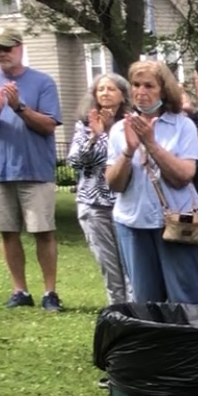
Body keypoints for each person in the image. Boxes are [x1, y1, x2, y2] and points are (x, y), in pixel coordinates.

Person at [0, 25, 63, 310]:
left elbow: (48, 126)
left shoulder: (42, 82)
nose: (1, 54)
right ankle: (20, 291)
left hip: (35, 170)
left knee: (43, 231)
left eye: (7, 48)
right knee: (7, 232)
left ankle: (49, 293)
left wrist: (19, 106)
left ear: (20, 48)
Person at [104, 60, 198, 306]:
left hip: (175, 224)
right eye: (136, 85)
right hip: (132, 224)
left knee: (185, 298)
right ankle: (157, 344)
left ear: (163, 90)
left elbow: (183, 176)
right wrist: (129, 150)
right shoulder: (119, 130)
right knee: (145, 302)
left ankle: (190, 343)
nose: (141, 92)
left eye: (149, 85)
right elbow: (114, 184)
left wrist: (151, 144)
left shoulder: (183, 126)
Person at [68, 71, 130, 306]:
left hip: (126, 203)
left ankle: (134, 313)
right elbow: (75, 162)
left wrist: (104, 137)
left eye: (111, 88)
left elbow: (124, 157)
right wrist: (96, 137)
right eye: (100, 89)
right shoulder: (84, 126)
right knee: (109, 265)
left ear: (123, 96)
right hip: (94, 205)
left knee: (130, 265)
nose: (105, 93)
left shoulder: (130, 124)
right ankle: (117, 312)